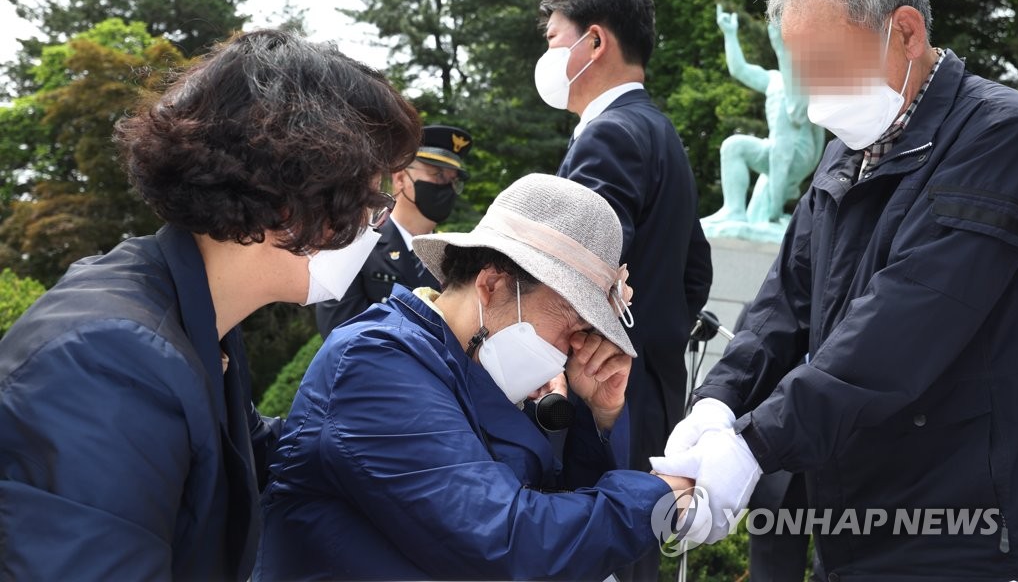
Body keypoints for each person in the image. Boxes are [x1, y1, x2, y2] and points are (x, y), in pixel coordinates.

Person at [651, 0, 1018, 580]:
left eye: (824, 63)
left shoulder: (999, 140)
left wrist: (755, 446)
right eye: (800, 69)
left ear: (904, 33)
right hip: (850, 519)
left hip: (961, 530)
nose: (809, 94)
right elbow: (784, 305)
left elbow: (900, 328)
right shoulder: (848, 151)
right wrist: (717, 401)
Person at [0, 30, 421, 580]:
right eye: (374, 203)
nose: (375, 226)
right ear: (296, 198)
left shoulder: (187, 308)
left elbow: (254, 455)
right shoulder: (109, 359)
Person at [254, 174, 699, 581]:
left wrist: (596, 416)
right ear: (493, 284)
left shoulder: (472, 363)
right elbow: (507, 541)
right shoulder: (376, 361)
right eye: (574, 323)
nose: (575, 349)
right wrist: (659, 497)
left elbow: (560, 503)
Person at [536, 0, 713, 474]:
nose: (546, 56)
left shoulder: (609, 135)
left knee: (597, 543)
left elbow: (576, 274)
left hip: (606, 396)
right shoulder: (658, 130)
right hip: (650, 391)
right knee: (633, 540)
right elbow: (695, 270)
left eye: (553, 40)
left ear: (594, 42)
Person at [316, 124, 472, 337]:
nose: (447, 188)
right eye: (438, 175)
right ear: (400, 178)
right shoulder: (355, 244)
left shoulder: (455, 258)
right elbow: (339, 333)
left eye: (453, 181)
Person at [702, 4, 823, 229]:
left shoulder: (801, 84)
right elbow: (739, 70)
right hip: (776, 147)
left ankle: (765, 214)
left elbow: (784, 53)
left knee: (739, 149)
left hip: (797, 149)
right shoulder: (772, 80)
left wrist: (779, 27)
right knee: (733, 147)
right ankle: (735, 211)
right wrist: (729, 34)